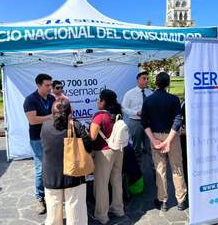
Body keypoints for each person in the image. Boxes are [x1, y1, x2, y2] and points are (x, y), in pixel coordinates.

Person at [141, 72, 187, 212]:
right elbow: (178, 120)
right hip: (172, 136)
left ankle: (163, 201)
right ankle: (181, 200)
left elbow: (144, 122)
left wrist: (153, 140)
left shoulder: (148, 100)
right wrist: (168, 141)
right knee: (177, 168)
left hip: (155, 135)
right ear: (168, 84)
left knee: (160, 169)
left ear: (156, 83)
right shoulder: (174, 99)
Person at [41, 99, 89, 225]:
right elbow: (88, 146)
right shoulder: (76, 125)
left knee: (52, 212)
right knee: (75, 213)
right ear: (69, 112)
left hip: (51, 174)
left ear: (52, 112)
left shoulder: (45, 126)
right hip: (74, 173)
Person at [90, 89, 124, 224]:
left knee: (101, 183)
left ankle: (102, 215)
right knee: (116, 180)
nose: (98, 101)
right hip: (118, 150)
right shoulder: (118, 114)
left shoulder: (99, 116)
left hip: (103, 152)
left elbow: (92, 136)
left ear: (104, 101)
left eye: (99, 99)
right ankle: (118, 209)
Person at [23, 73, 55, 214]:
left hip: (52, 137)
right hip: (37, 138)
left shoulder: (52, 98)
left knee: (52, 166)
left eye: (50, 85)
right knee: (40, 168)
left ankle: (52, 195)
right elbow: (33, 120)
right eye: (47, 85)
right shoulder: (30, 100)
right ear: (38, 85)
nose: (50, 88)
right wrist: (52, 116)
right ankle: (40, 198)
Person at [122, 71, 152, 158]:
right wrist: (136, 113)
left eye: (147, 79)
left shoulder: (150, 93)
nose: (146, 81)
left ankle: (150, 168)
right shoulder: (130, 93)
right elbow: (124, 108)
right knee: (136, 147)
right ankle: (137, 168)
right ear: (138, 80)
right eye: (144, 78)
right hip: (135, 122)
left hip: (148, 122)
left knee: (149, 146)